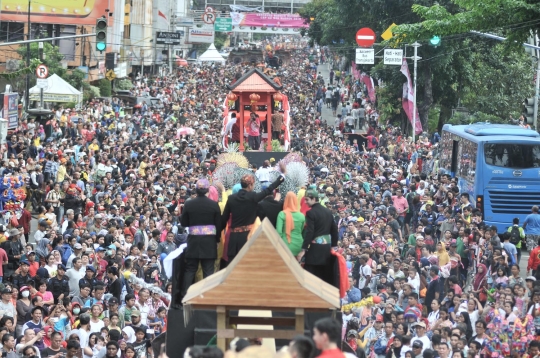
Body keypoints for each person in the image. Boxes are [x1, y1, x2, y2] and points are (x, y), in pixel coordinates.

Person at [221, 169, 285, 262]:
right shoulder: (253, 197)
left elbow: (224, 219)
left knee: (233, 267)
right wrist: (282, 177)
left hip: (233, 238)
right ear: (250, 185)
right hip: (248, 237)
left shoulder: (231, 198)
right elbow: (269, 189)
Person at [180, 178, 222, 297]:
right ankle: (209, 296)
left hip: (193, 241)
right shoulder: (214, 205)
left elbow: (184, 223)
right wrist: (217, 239)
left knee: (190, 269)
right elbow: (218, 225)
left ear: (196, 190)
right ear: (208, 190)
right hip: (209, 242)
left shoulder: (189, 203)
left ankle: (185, 296)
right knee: (208, 270)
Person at [296, 188, 338, 285]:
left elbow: (309, 232)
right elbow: (334, 229)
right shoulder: (328, 211)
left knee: (309, 276)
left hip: (315, 250)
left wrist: (303, 249)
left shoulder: (311, 213)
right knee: (322, 277)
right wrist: (334, 246)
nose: (305, 202)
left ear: (314, 199)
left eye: (307, 199)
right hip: (326, 249)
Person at [276, 192, 305, 256]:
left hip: (285, 245)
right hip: (299, 245)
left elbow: (278, 232)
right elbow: (301, 230)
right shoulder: (301, 216)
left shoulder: (282, 214)